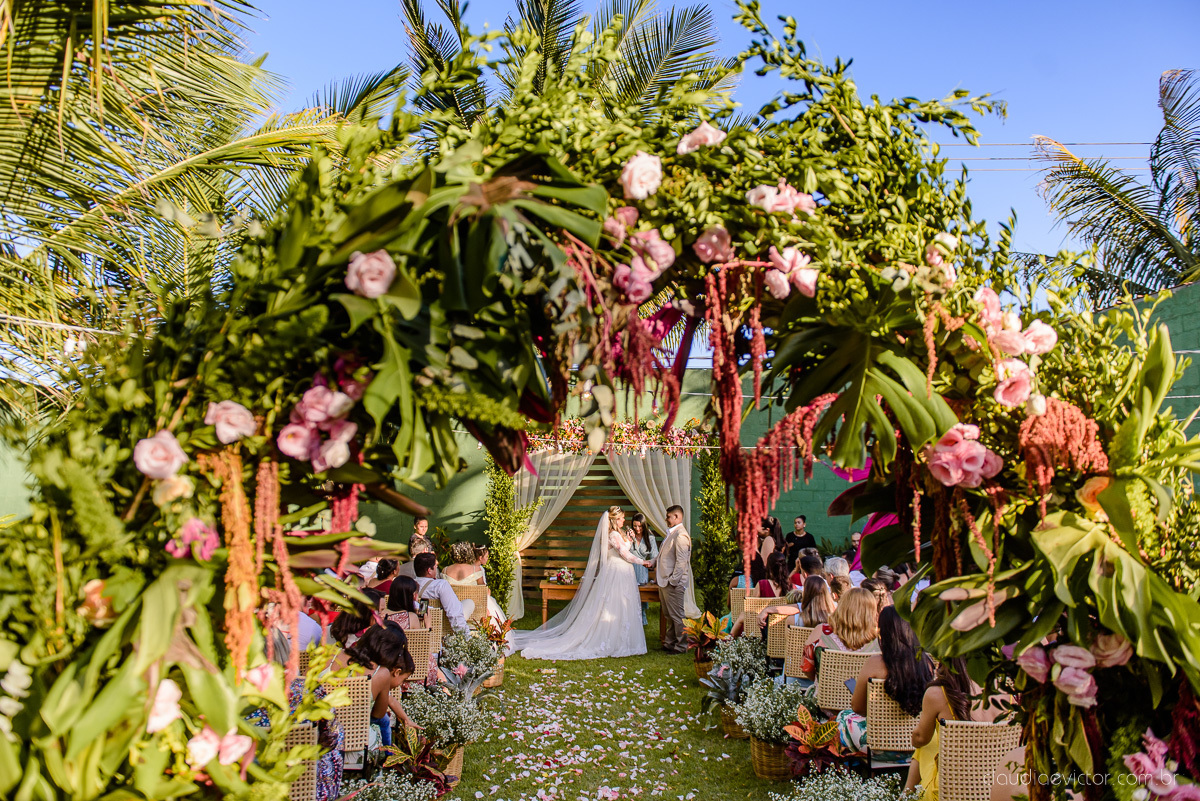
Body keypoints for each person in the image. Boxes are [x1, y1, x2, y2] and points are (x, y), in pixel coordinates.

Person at [509, 506, 651, 660]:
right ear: (616, 519)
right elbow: (625, 555)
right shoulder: (613, 534)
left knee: (621, 604)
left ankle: (622, 640)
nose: (624, 520)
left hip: (622, 573)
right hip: (617, 573)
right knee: (613, 604)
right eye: (622, 517)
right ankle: (613, 640)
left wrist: (629, 540)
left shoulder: (617, 534)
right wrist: (643, 562)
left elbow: (625, 550)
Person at [836, 607, 935, 757]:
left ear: (884, 632)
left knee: (843, 717)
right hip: (917, 743)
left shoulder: (875, 663)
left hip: (877, 744)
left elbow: (857, 707)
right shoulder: (927, 664)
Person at [905, 658, 1007, 800]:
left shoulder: (937, 694)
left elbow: (919, 740)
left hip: (950, 789)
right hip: (995, 785)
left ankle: (905, 795)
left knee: (926, 743)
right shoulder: (1004, 692)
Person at [800, 587, 881, 680]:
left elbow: (806, 669)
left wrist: (823, 683)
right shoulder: (878, 640)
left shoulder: (821, 632)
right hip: (865, 694)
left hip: (826, 693)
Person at [360, 623, 420, 747]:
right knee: (384, 720)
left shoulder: (338, 656)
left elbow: (391, 700)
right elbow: (378, 715)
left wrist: (406, 719)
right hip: (360, 742)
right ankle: (388, 753)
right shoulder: (380, 675)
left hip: (320, 733)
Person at [444, 541, 509, 636]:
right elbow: (483, 592)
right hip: (474, 611)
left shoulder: (445, 570)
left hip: (452, 609)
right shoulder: (476, 570)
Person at [383, 576, 439, 687]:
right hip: (412, 672)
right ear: (411, 596)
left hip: (388, 669)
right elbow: (422, 648)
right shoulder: (411, 617)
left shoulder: (382, 615)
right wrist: (428, 626)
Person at [412, 552, 470, 634]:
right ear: (429, 570)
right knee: (468, 603)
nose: (437, 568)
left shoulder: (410, 585)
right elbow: (454, 613)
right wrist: (466, 637)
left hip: (418, 625)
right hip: (440, 623)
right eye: (435, 566)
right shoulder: (440, 585)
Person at [628, 513, 658, 625]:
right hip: (630, 567)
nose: (637, 529)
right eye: (635, 526)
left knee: (641, 594)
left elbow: (655, 555)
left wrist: (655, 573)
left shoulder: (650, 537)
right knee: (630, 594)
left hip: (642, 568)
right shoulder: (629, 535)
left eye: (640, 526)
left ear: (644, 526)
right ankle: (630, 616)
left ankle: (642, 614)